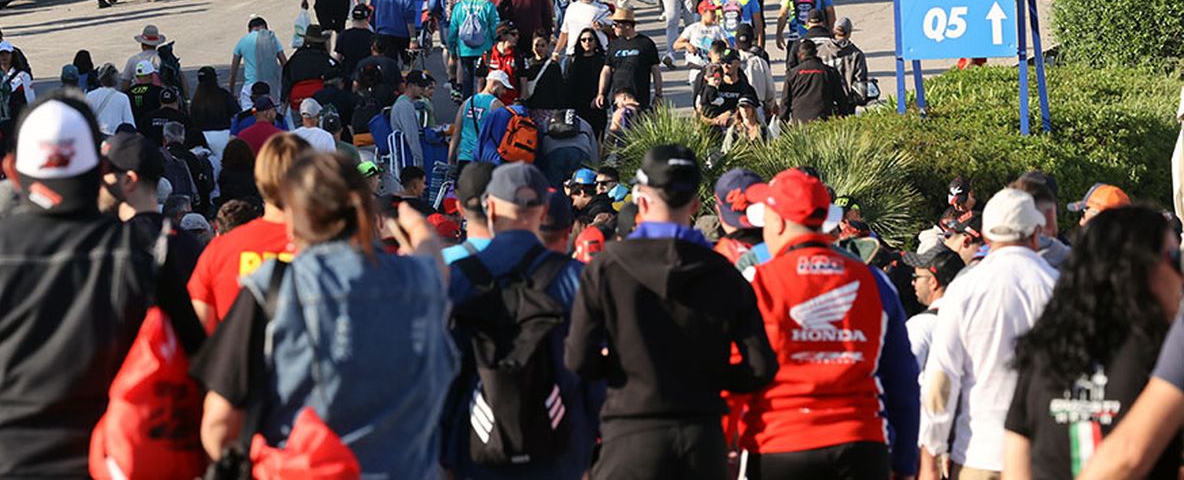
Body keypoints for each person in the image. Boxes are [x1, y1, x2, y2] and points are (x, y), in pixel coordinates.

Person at [0, 96, 203, 479]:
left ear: (10, 170)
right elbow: (200, 363)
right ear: (100, 170)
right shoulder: (145, 256)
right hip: (113, 463)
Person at [193, 152, 456, 476]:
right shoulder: (421, 281)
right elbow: (435, 266)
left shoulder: (275, 286)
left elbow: (218, 427)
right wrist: (421, 231)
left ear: (295, 217)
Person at [566, 145, 777, 479]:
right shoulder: (723, 272)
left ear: (642, 200)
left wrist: (625, 371)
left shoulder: (606, 268)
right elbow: (761, 366)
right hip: (702, 437)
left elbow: (578, 359)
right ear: (695, 205)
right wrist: (709, 376)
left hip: (630, 433)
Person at [742, 167, 919, 480]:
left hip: (781, 443)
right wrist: (905, 462)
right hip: (861, 445)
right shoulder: (874, 280)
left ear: (778, 222)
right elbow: (901, 379)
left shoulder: (757, 281)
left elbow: (736, 373)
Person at [1001, 206, 1179, 480]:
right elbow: (1130, 454)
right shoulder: (1163, 353)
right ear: (1138, 268)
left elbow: (1015, 460)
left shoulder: (1043, 347)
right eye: (1175, 259)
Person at [443, 161, 596, 479]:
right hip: (560, 449)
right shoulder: (577, 278)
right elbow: (595, 367)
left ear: (490, 208)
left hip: (475, 449)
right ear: (543, 212)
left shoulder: (457, 278)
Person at [920, 188, 1059, 480]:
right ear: (1035, 233)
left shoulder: (965, 287)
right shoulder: (1058, 287)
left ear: (985, 234)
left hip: (978, 452)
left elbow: (941, 378)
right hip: (1042, 456)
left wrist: (931, 453)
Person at [188, 132, 307, 331]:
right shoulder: (332, 249)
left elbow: (198, 331)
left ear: (260, 178)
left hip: (237, 348)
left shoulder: (219, 249)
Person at [904, 244, 966, 371]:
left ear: (933, 282)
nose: (913, 283)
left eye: (916, 277)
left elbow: (905, 375)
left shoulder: (921, 326)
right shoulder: (975, 318)